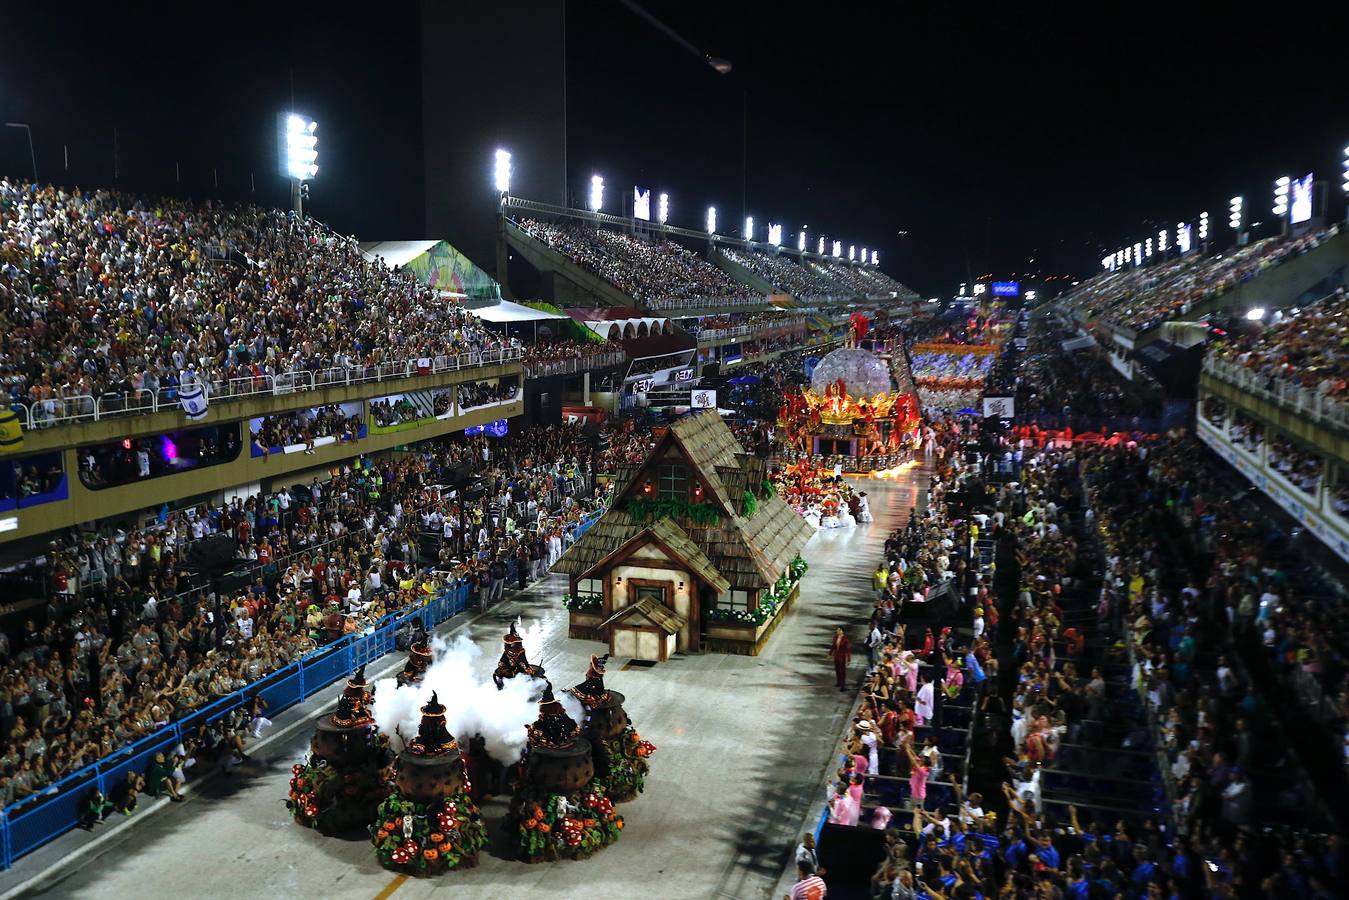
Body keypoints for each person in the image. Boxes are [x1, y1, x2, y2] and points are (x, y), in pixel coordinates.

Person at [829, 627, 852, 691]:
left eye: (839, 630)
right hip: (836, 657)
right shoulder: (835, 637)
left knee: (842, 672)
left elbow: (848, 650)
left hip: (842, 657)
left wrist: (849, 659)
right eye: (837, 630)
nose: (837, 631)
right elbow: (833, 646)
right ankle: (839, 682)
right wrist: (830, 654)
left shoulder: (845, 639)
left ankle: (843, 686)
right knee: (837, 670)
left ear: (842, 631)